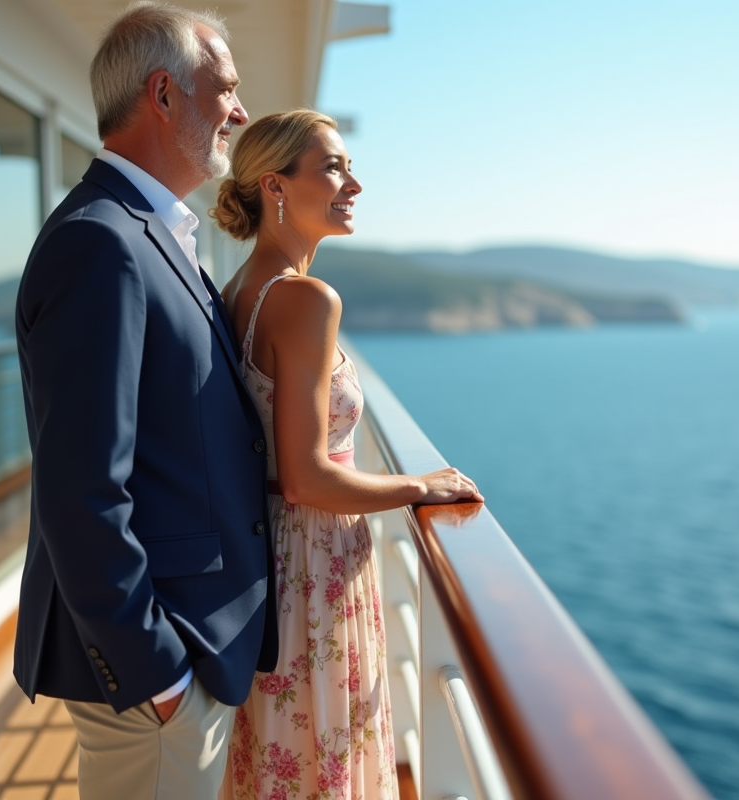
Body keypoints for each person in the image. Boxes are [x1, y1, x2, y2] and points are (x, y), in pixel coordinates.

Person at [12, 4, 277, 798]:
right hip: (159, 670)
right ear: (163, 94)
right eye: (224, 88)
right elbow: (81, 487)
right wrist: (156, 673)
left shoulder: (151, 232)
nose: (240, 109)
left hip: (190, 649)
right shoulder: (103, 242)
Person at [210, 110, 482, 800]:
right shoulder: (305, 300)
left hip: (265, 563)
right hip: (312, 567)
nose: (354, 184)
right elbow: (306, 478)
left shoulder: (240, 290)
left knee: (282, 757)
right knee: (321, 755)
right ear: (275, 186)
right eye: (333, 167)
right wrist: (419, 486)